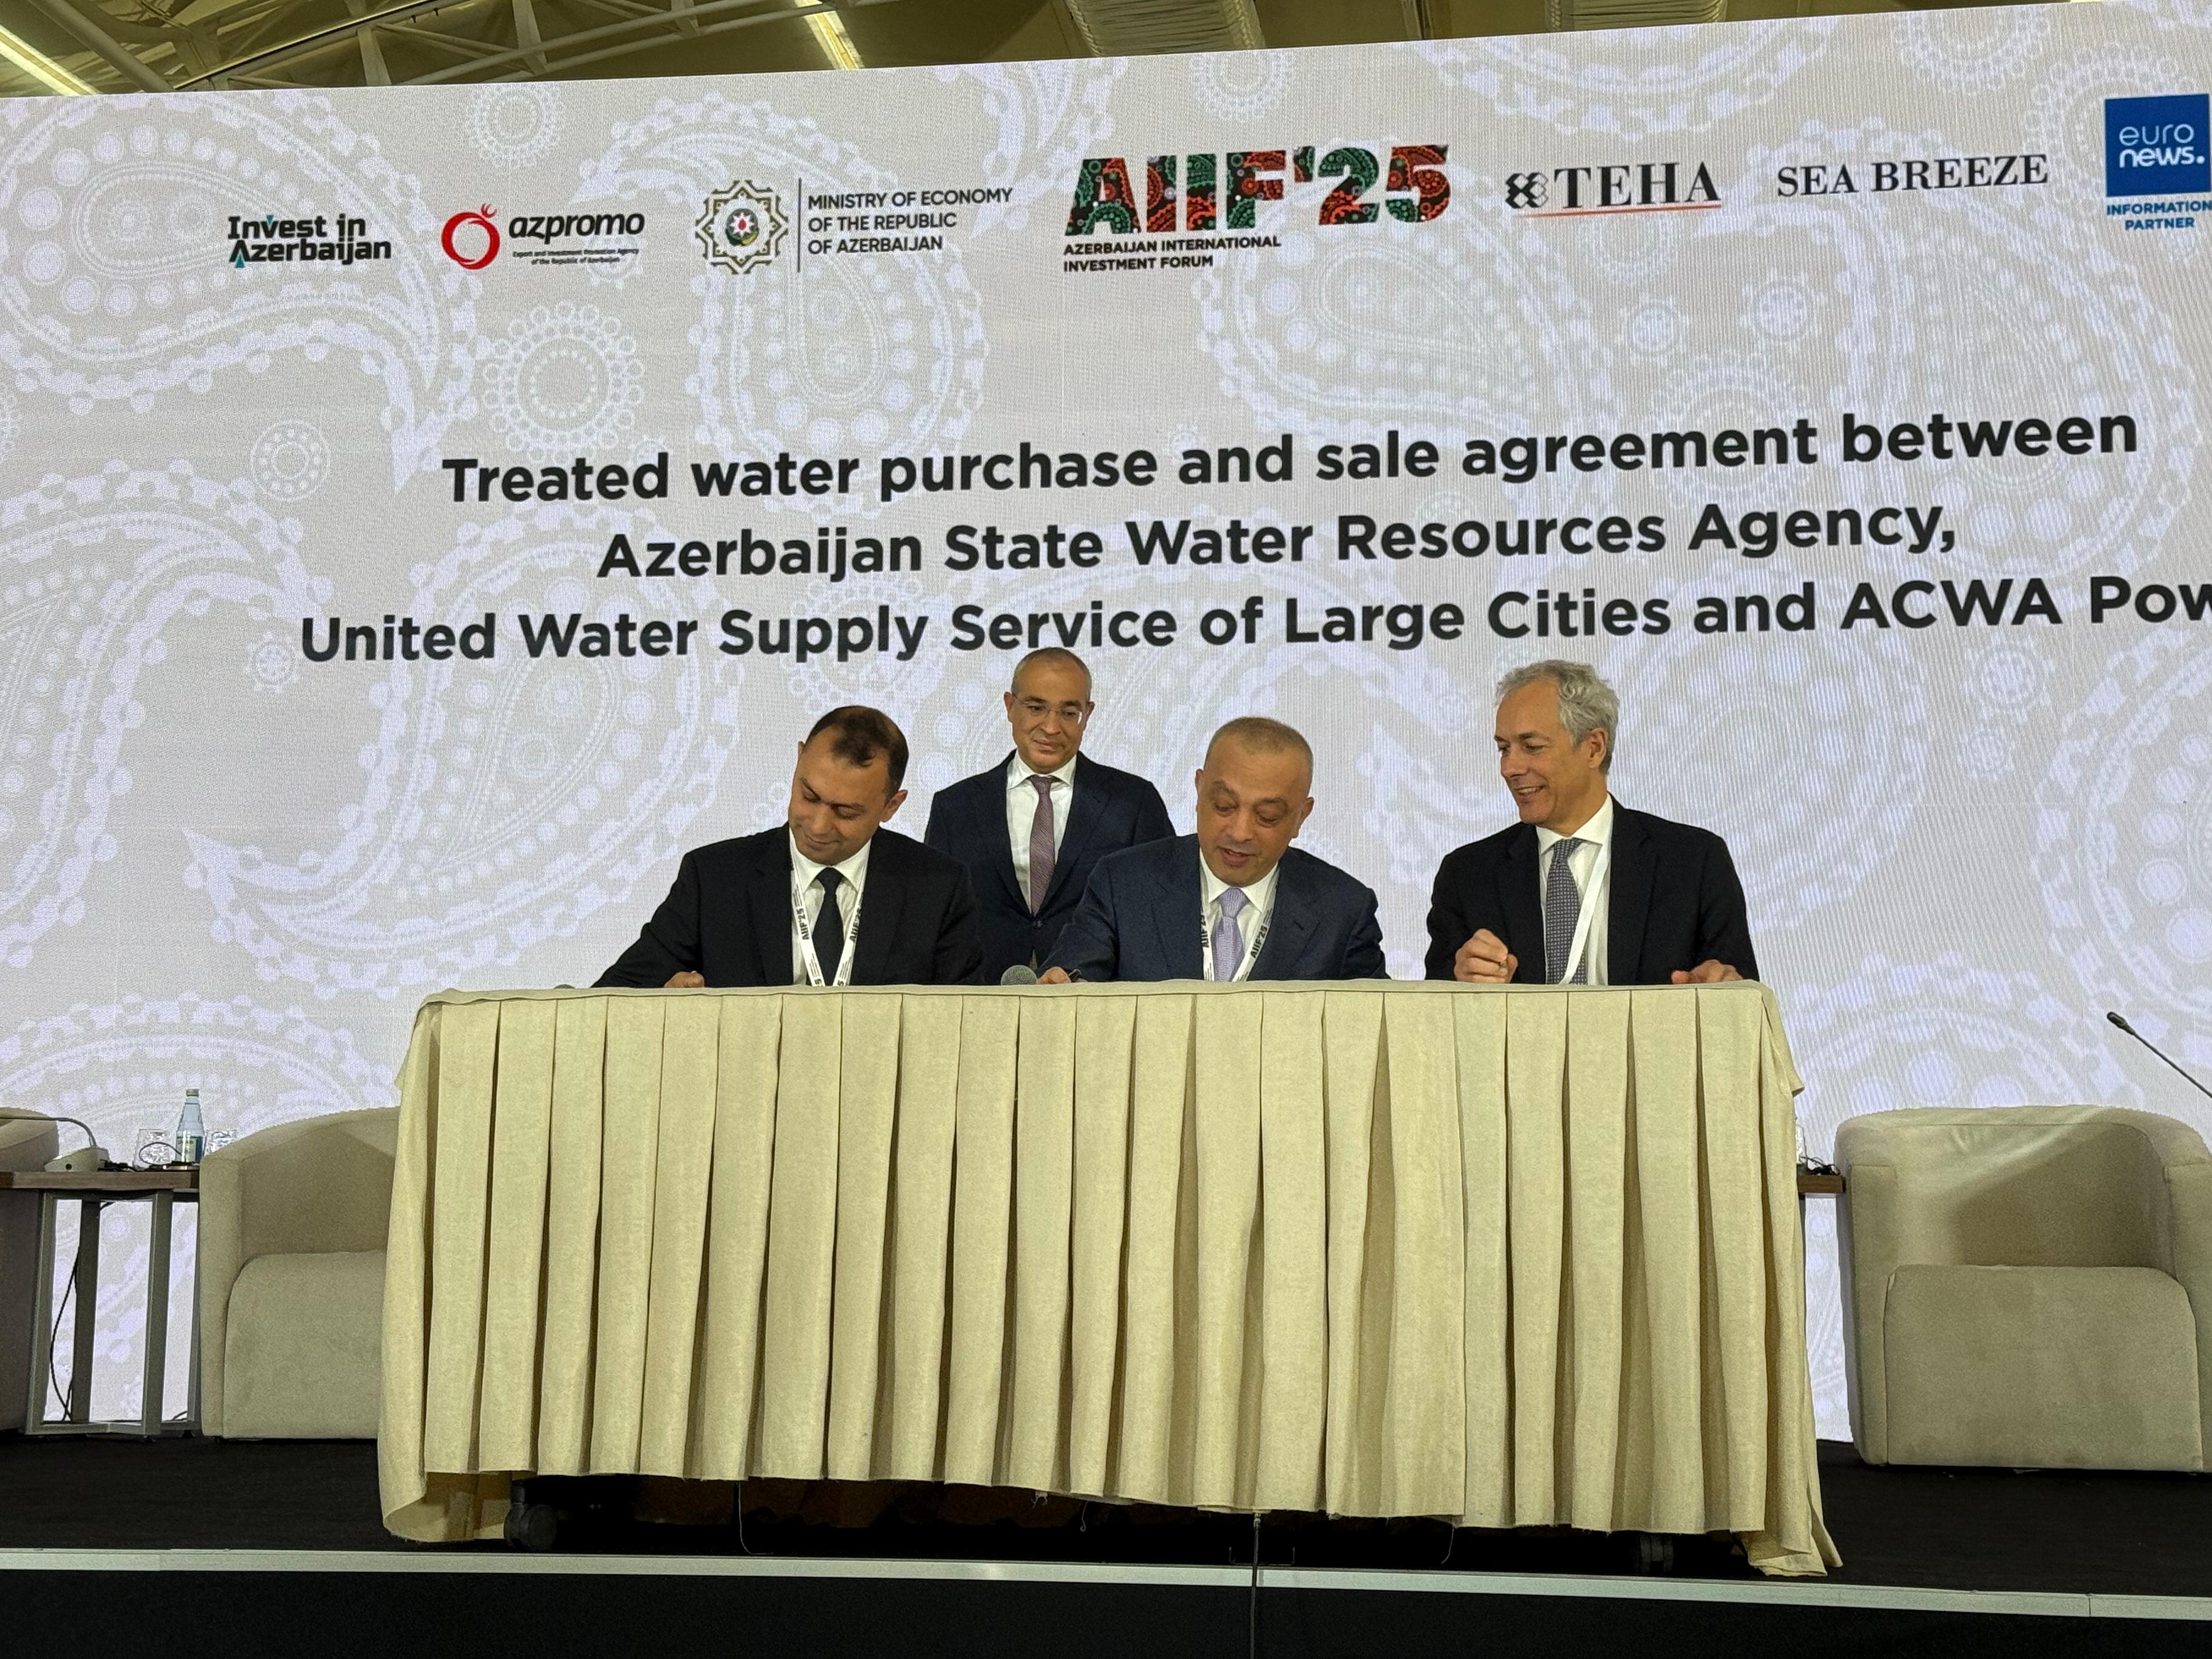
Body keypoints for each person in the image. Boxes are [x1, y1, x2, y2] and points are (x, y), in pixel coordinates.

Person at [596, 706, 984, 988]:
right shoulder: (714, 878)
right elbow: (612, 999)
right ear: (799, 760)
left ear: (891, 806)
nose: (818, 825)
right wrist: (661, 1001)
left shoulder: (938, 888)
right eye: (809, 796)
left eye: (846, 812)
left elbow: (967, 1025)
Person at [1423, 660, 1756, 987]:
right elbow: (1431, 1009)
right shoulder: (1467, 875)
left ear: (1594, 748)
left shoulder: (1694, 861)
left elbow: (1739, 996)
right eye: (1504, 749)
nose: (1509, 768)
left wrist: (1721, 986)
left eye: (1532, 747)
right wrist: (1461, 983)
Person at [1042, 716, 1385, 983]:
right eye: (1224, 806)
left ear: (1301, 816)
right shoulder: (1123, 883)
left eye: (1267, 817)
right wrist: (1065, 985)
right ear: (1199, 789)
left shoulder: (1344, 910)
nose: (1240, 832)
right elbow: (1073, 974)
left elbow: (1375, 1027)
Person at [923, 647, 1175, 981]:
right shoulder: (955, 807)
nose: (1052, 727)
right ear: (1010, 707)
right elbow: (935, 918)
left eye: (1069, 713)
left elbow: (1158, 914)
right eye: (1036, 708)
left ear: (1088, 714)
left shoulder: (1133, 803)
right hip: (982, 996)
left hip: (1092, 996)